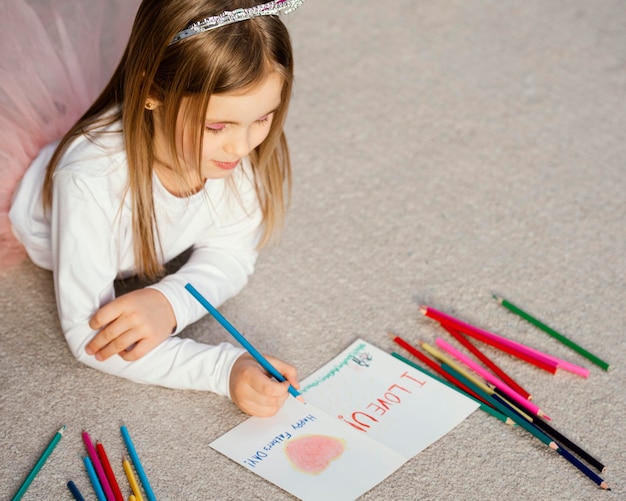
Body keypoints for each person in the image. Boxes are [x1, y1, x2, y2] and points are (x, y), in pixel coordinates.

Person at [4, 0, 306, 417]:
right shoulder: (89, 182)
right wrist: (221, 370)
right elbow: (88, 337)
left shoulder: (229, 152)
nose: (242, 147)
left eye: (263, 118)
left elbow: (234, 253)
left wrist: (169, 302)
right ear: (151, 94)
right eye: (217, 126)